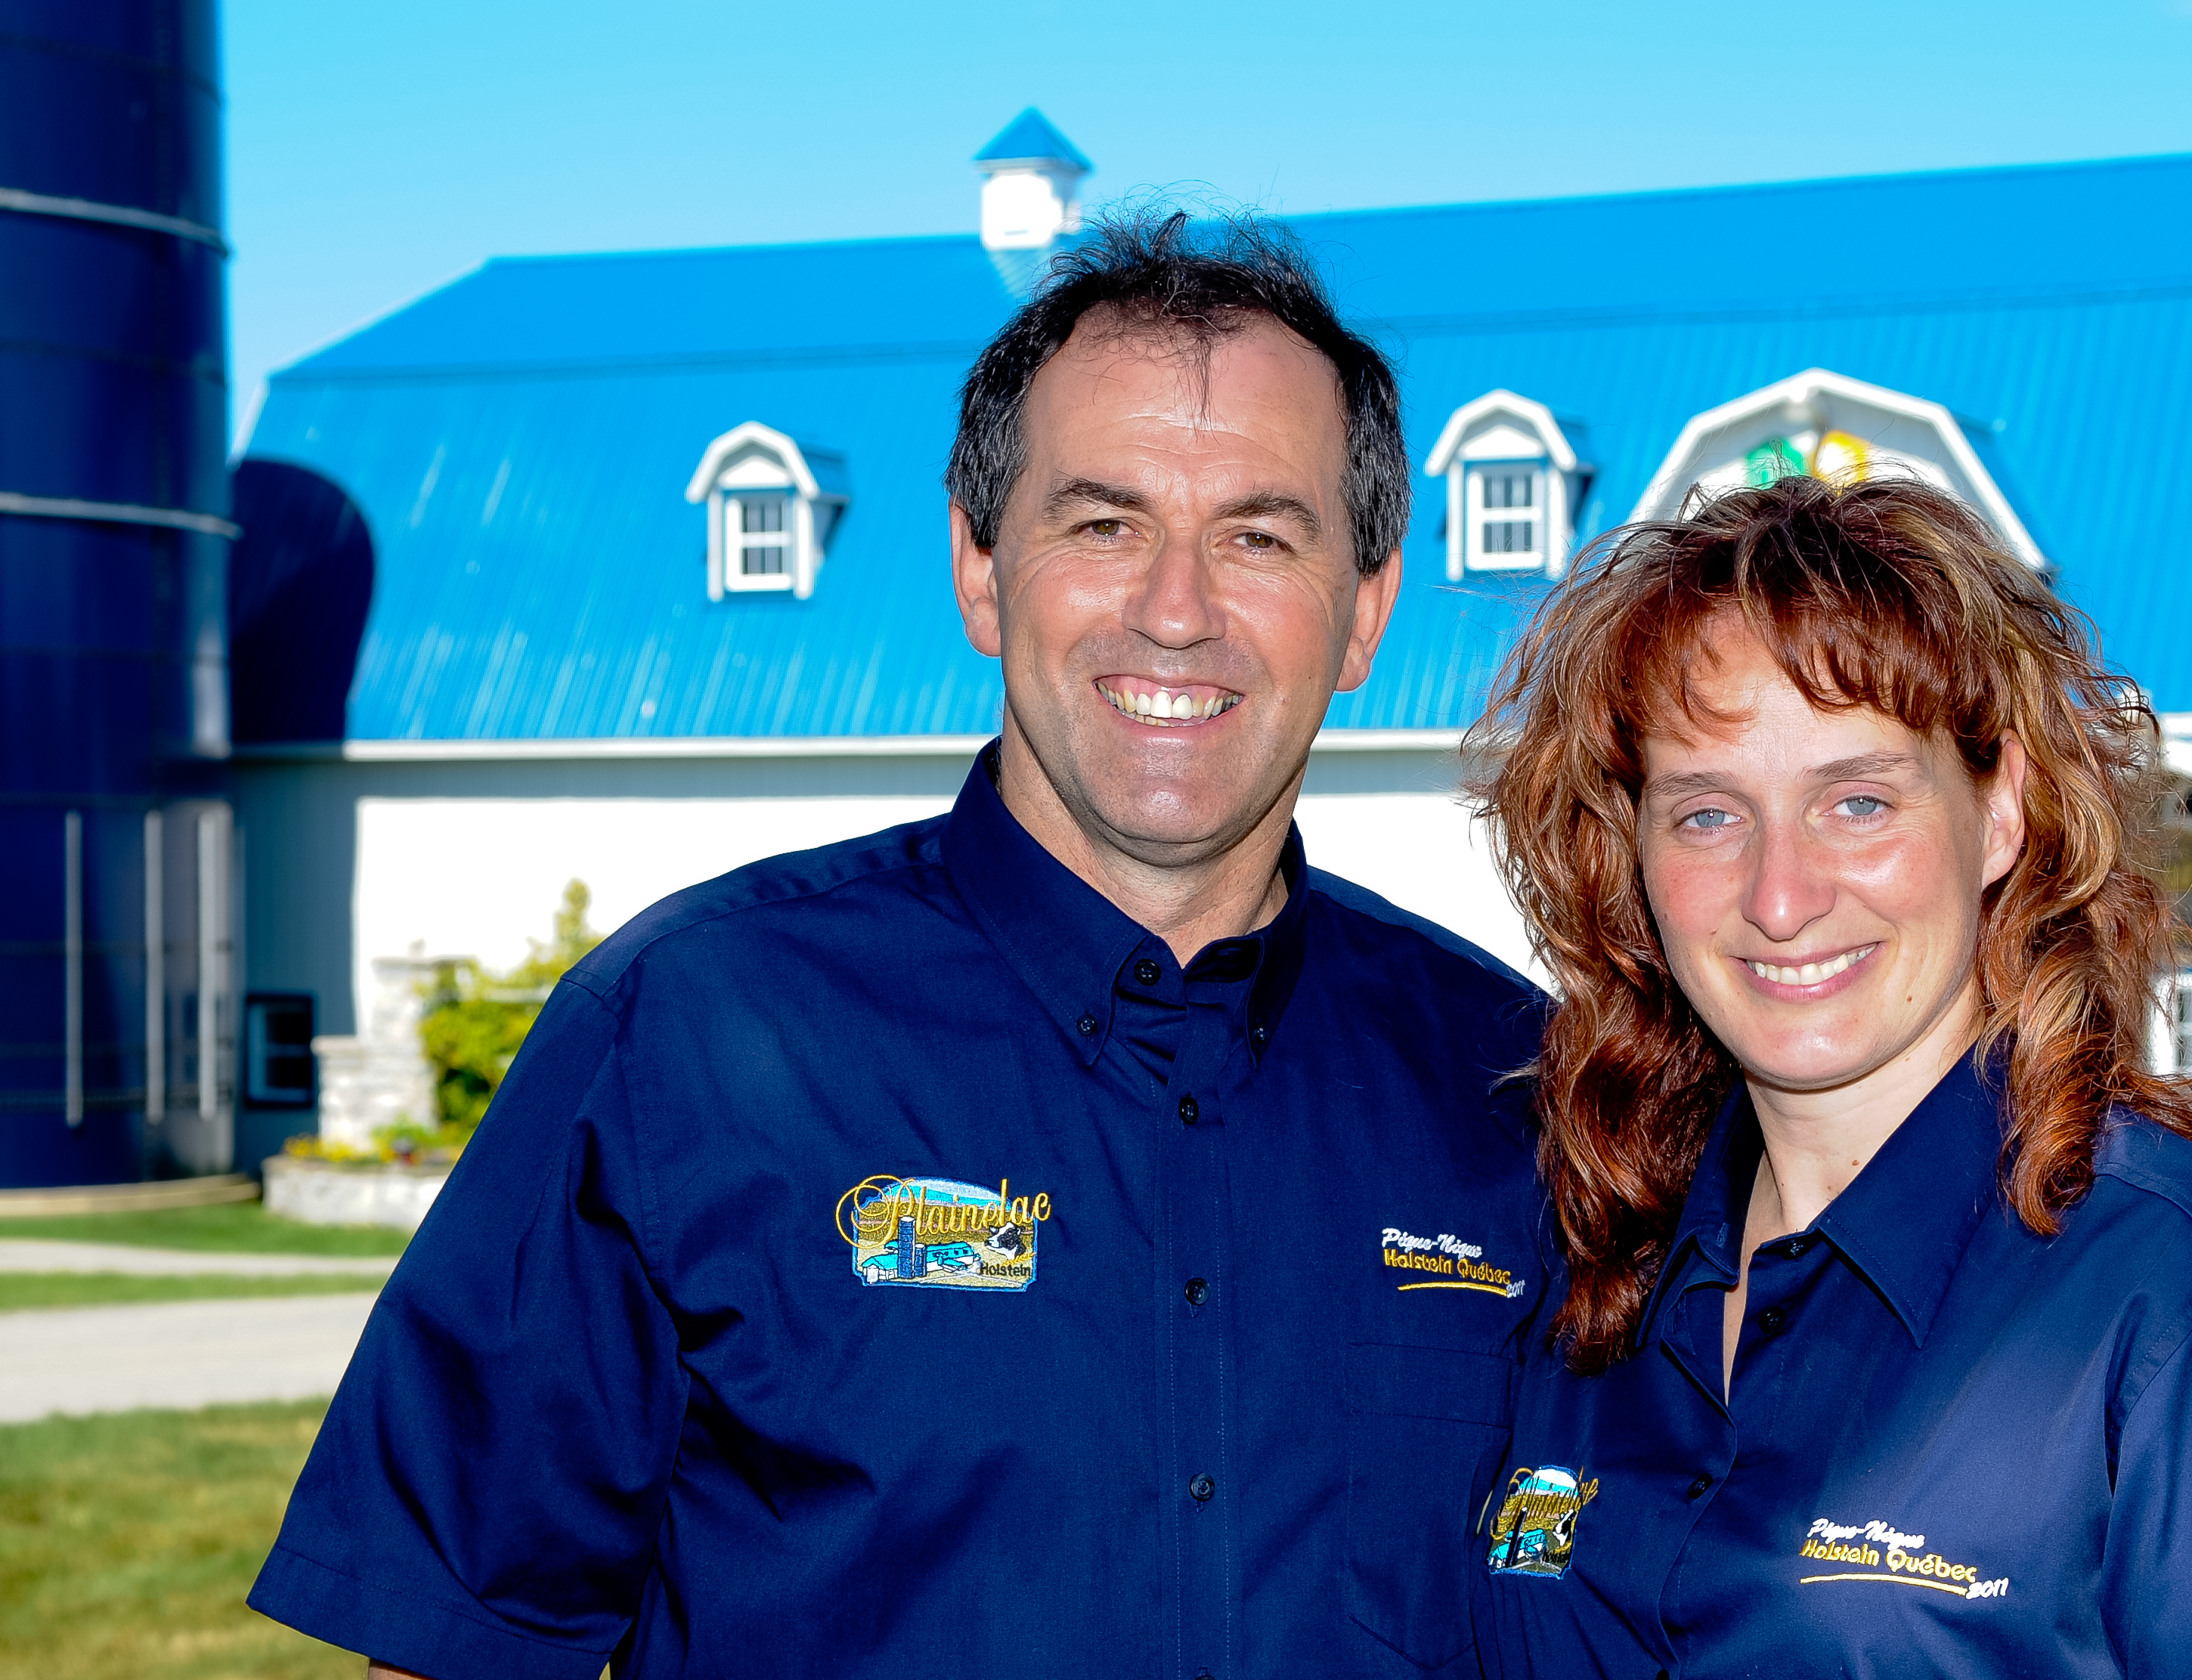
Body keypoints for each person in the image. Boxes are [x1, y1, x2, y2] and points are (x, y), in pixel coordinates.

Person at [248, 214, 1553, 1680]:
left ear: (1366, 608)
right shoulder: (683, 1035)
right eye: (1104, 521)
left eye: (1257, 534)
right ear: (981, 567)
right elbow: (458, 1640)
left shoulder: (1511, 1087)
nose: (1176, 609)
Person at [1466, 475, 2192, 1678]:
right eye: (1705, 814)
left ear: (2001, 812)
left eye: (1857, 801)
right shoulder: (1598, 1270)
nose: (1780, 897)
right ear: (1629, 850)